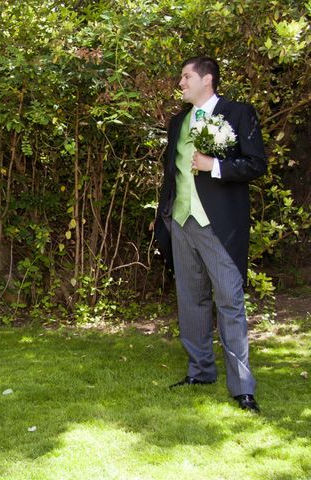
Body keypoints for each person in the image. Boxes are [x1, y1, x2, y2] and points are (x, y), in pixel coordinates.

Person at [154, 56, 267, 413]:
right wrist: (165, 214)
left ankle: (242, 388)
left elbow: (256, 164)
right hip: (181, 222)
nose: (181, 82)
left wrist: (213, 165)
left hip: (219, 225)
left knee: (230, 302)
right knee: (191, 301)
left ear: (207, 79)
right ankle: (200, 371)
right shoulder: (178, 122)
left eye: (186, 76)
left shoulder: (237, 113)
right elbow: (171, 174)